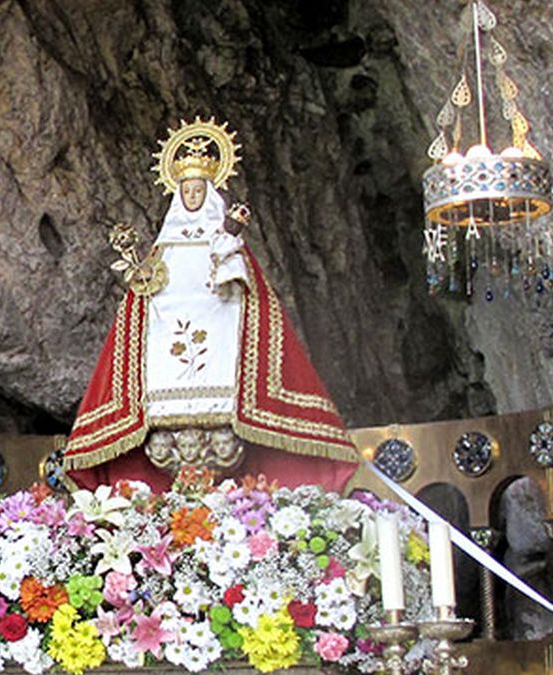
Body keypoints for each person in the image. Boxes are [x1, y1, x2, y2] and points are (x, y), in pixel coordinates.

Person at [65, 119, 357, 491]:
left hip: (220, 356)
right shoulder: (163, 249)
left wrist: (226, 255)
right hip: (166, 374)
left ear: (209, 191)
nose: (190, 196)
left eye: (197, 189)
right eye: (185, 189)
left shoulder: (227, 244)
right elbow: (140, 311)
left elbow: (247, 301)